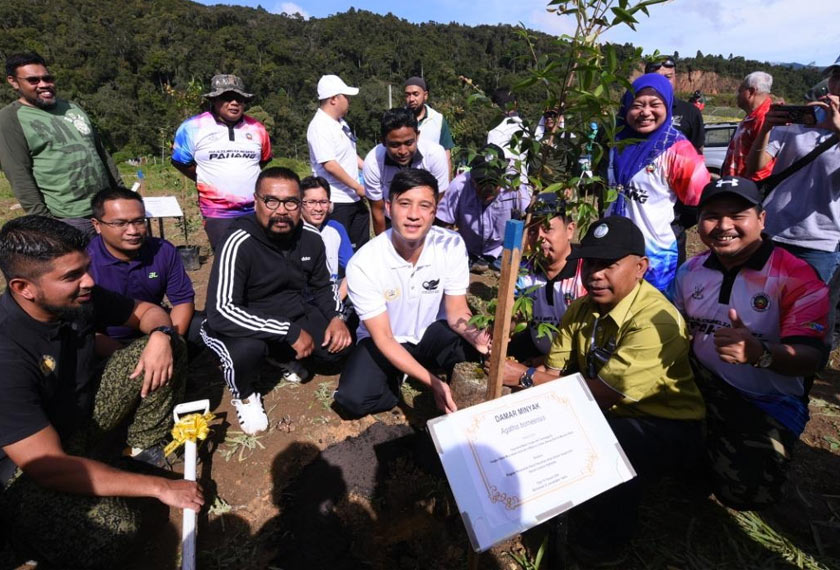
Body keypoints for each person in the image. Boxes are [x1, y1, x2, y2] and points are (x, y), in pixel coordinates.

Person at [499, 216, 705, 566]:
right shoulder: (581, 309)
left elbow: (602, 394)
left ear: (640, 267)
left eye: (608, 264)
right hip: (601, 409)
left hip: (661, 421)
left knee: (609, 445)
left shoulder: (655, 321)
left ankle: (600, 545)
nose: (595, 273)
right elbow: (553, 370)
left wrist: (522, 375)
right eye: (591, 263)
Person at [0, 215, 200, 569]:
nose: (89, 281)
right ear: (23, 288)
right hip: (29, 470)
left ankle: (141, 449)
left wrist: (160, 336)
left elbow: (147, 311)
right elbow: (48, 467)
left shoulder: (76, 298)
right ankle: (28, 542)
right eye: (71, 276)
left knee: (168, 345)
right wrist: (159, 488)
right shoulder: (7, 354)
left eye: (86, 269)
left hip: (80, 418)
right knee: (116, 529)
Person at [673, 176, 829, 510]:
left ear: (761, 219)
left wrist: (761, 354)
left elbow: (811, 358)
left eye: (737, 215)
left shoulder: (796, 276)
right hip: (703, 383)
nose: (723, 225)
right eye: (712, 215)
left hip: (764, 400)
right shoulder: (691, 270)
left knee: (744, 495)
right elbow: (678, 328)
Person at [201, 167, 352, 435]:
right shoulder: (239, 241)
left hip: (289, 311)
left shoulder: (310, 239)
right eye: (271, 201)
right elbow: (222, 310)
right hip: (243, 320)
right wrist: (289, 332)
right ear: (256, 200)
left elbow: (322, 287)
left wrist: (336, 317)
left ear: (300, 204)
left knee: (334, 351)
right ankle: (245, 394)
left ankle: (277, 355)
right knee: (248, 351)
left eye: (291, 202)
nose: (281, 211)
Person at [334, 168, 490, 417]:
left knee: (477, 356)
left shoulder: (450, 244)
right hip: (386, 339)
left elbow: (456, 311)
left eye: (424, 205)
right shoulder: (364, 263)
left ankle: (414, 367)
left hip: (431, 331)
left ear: (434, 211)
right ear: (388, 207)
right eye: (404, 204)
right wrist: (432, 382)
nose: (414, 215)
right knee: (352, 400)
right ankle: (398, 375)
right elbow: (384, 338)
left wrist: (478, 338)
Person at [0, 52, 124, 238]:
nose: (43, 85)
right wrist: (45, 221)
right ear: (14, 82)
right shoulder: (10, 119)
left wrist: (122, 195)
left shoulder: (72, 108)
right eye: (33, 80)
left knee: (116, 265)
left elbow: (101, 154)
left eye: (47, 78)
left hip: (107, 210)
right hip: (67, 217)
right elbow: (18, 173)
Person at [607, 73, 710, 292]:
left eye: (655, 104)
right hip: (612, 246)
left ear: (669, 106)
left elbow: (700, 199)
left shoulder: (678, 149)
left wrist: (675, 226)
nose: (645, 112)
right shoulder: (614, 143)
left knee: (653, 313)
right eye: (637, 105)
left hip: (655, 252)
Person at [745, 58, 840, 286]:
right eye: (836, 77)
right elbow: (754, 167)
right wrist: (766, 129)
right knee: (760, 304)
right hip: (771, 230)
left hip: (819, 243)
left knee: (807, 313)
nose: (837, 84)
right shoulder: (802, 119)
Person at [87, 187, 195, 355]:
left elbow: (182, 301)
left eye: (139, 221)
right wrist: (126, 358)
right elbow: (83, 328)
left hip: (158, 327)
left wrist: (169, 342)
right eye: (120, 223)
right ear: (97, 225)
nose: (133, 231)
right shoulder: (85, 262)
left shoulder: (163, 250)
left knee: (203, 325)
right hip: (107, 341)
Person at [171, 74, 272, 252]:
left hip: (256, 210)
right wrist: (205, 177)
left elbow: (262, 161)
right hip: (217, 212)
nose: (234, 102)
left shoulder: (258, 128)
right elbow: (180, 162)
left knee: (259, 259)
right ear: (214, 99)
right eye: (227, 97)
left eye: (239, 98)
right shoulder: (192, 127)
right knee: (227, 258)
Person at [507, 192, 586, 362]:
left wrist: (541, 363)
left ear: (570, 230)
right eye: (533, 230)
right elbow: (512, 317)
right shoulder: (525, 271)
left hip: (576, 360)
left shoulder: (585, 273)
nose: (540, 237)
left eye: (547, 229)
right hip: (536, 348)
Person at [436, 144, 530, 271]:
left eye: (493, 182)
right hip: (467, 250)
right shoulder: (459, 186)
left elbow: (529, 220)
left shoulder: (514, 189)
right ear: (472, 178)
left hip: (502, 251)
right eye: (481, 182)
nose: (487, 188)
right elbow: (444, 223)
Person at [363, 108, 449, 235]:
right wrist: (383, 247)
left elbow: (438, 202)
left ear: (417, 136)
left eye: (408, 143)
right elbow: (378, 211)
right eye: (395, 145)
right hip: (392, 220)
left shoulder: (435, 155)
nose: (403, 151)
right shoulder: (373, 162)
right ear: (383, 141)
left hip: (426, 218)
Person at [306, 74, 368, 250]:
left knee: (361, 247)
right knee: (340, 250)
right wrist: (357, 186)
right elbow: (329, 164)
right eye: (345, 97)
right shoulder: (319, 126)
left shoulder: (340, 123)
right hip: (337, 200)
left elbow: (349, 155)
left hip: (354, 198)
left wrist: (369, 168)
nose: (348, 101)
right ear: (334, 99)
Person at [299, 175, 354, 303]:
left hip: (331, 294)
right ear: (300, 203)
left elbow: (353, 270)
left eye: (323, 202)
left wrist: (337, 299)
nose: (318, 208)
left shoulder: (335, 228)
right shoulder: (291, 231)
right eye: (311, 202)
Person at [722, 72, 776, 181]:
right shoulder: (753, 116)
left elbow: (761, 163)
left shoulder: (765, 118)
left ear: (750, 92)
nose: (737, 95)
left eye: (740, 91)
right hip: (739, 184)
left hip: (751, 187)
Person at [645, 55, 705, 152]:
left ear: (675, 78)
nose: (664, 82)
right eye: (658, 77)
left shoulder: (691, 111)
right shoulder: (634, 112)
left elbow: (698, 152)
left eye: (668, 77)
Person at [404, 76, 455, 177]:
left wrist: (447, 185)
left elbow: (446, 155)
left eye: (415, 94)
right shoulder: (398, 119)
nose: (411, 99)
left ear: (425, 95)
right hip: (404, 180)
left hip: (432, 180)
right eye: (407, 95)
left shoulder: (438, 120)